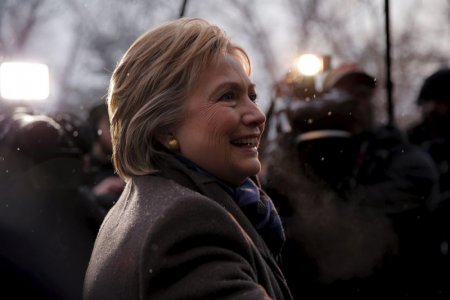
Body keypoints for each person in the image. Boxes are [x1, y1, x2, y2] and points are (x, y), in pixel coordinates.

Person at [83, 17, 292, 300]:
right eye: (228, 96)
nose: (257, 115)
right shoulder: (186, 223)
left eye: (252, 96)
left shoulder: (150, 202)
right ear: (163, 125)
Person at [261, 63, 440, 298]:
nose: (356, 102)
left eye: (363, 94)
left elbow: (352, 221)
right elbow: (274, 197)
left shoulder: (399, 155)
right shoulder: (301, 156)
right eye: (345, 95)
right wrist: (289, 123)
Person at [407, 67, 450, 294]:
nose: (434, 109)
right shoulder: (410, 141)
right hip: (423, 240)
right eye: (429, 102)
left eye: (441, 102)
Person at [85, 102, 125, 218]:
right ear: (94, 128)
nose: (117, 132)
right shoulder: (83, 165)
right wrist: (92, 196)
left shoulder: (127, 165)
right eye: (110, 125)